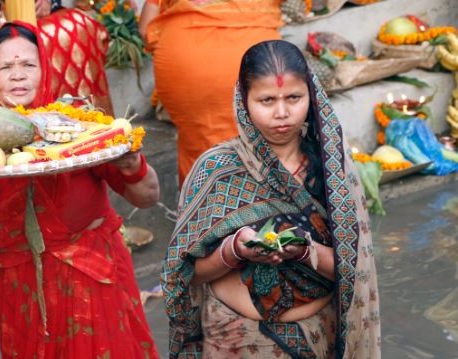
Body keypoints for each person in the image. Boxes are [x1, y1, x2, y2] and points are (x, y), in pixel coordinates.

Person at [0, 22, 159, 358]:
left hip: (91, 279)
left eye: (28, 65)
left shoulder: (76, 126)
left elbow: (148, 196)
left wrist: (131, 164)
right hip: (18, 293)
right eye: (6, 67)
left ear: (45, 70)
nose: (18, 75)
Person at [161, 40, 381, 358]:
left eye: (294, 97)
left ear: (312, 95)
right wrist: (234, 249)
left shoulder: (332, 170)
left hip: (319, 336)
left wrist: (305, 251)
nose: (281, 113)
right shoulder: (216, 170)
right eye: (266, 100)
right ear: (243, 100)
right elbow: (185, 272)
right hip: (235, 340)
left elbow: (356, 270)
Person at [139, 0, 282, 184]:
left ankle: (204, 206)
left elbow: (145, 28)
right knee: (263, 149)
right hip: (253, 47)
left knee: (198, 147)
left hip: (185, 53)